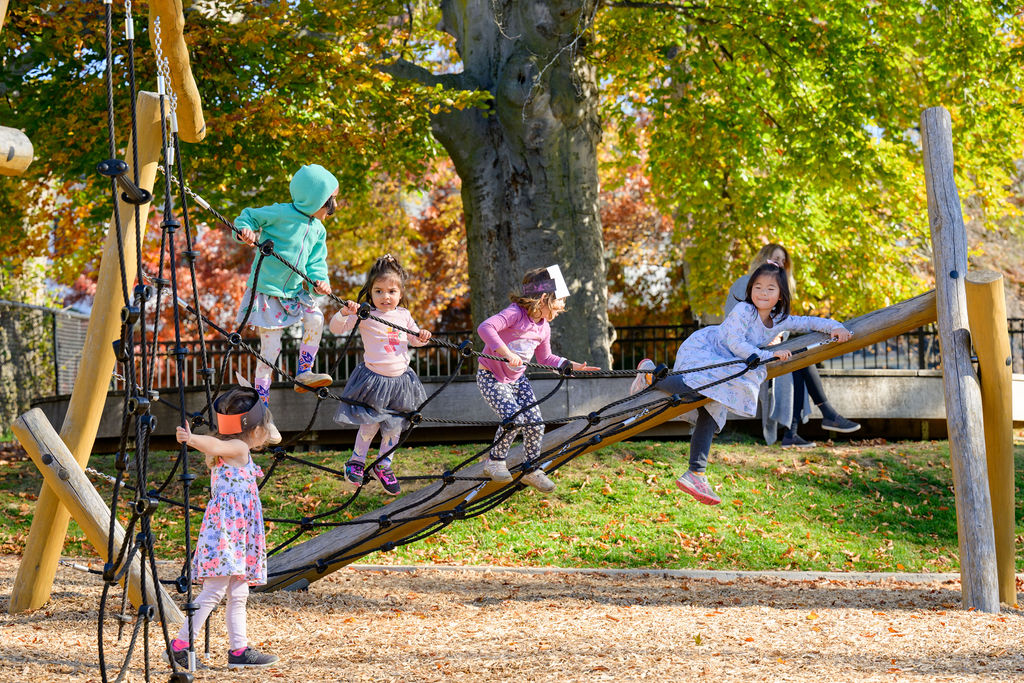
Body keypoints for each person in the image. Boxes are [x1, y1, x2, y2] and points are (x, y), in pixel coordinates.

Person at [630, 262, 852, 505]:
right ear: (750, 289)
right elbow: (735, 342)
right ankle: (652, 376)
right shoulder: (744, 311)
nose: (763, 293)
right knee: (696, 389)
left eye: (770, 289)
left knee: (712, 412)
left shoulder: (779, 319)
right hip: (708, 350)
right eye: (757, 287)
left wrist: (836, 328)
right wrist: (768, 355)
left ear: (780, 296)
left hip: (732, 365)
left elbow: (808, 322)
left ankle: (695, 473)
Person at [167, 387, 279, 671]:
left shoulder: (238, 447)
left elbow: (272, 436)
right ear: (253, 431)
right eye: (263, 427)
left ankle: (238, 650)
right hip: (227, 536)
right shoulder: (237, 449)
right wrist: (192, 439)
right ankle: (179, 646)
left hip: (237, 535)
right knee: (215, 592)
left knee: (239, 592)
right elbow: (215, 445)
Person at [234, 163, 340, 444]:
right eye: (330, 204)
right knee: (269, 353)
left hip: (295, 293)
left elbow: (316, 262)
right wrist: (246, 230)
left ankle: (304, 372)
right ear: (316, 200)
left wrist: (319, 281)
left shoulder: (318, 230)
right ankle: (263, 416)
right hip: (267, 294)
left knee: (316, 318)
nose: (332, 209)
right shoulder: (281, 213)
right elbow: (249, 216)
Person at [476, 265, 598, 493]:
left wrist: (567, 365)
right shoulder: (515, 314)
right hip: (491, 376)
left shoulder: (544, 327)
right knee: (513, 418)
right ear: (544, 298)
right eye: (559, 301)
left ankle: (530, 469)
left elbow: (545, 357)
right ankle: (494, 461)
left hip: (517, 380)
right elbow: (486, 327)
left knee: (536, 423)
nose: (562, 307)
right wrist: (507, 353)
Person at [725, 244, 860, 448]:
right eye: (775, 258)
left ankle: (794, 433)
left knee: (798, 359)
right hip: (741, 352)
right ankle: (820, 416)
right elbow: (734, 326)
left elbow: (804, 322)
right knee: (797, 360)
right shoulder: (746, 289)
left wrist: (836, 327)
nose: (779, 263)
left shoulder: (777, 313)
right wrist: (766, 346)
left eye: (783, 260)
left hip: (765, 351)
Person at [329, 255, 431, 496]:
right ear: (370, 292)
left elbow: (415, 340)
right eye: (379, 291)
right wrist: (344, 313)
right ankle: (356, 461)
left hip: (401, 383)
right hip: (374, 380)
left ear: (401, 293)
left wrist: (423, 336)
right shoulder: (366, 314)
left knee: (394, 427)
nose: (386, 296)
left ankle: (384, 465)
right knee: (370, 424)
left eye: (392, 291)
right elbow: (336, 329)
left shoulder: (404, 315)